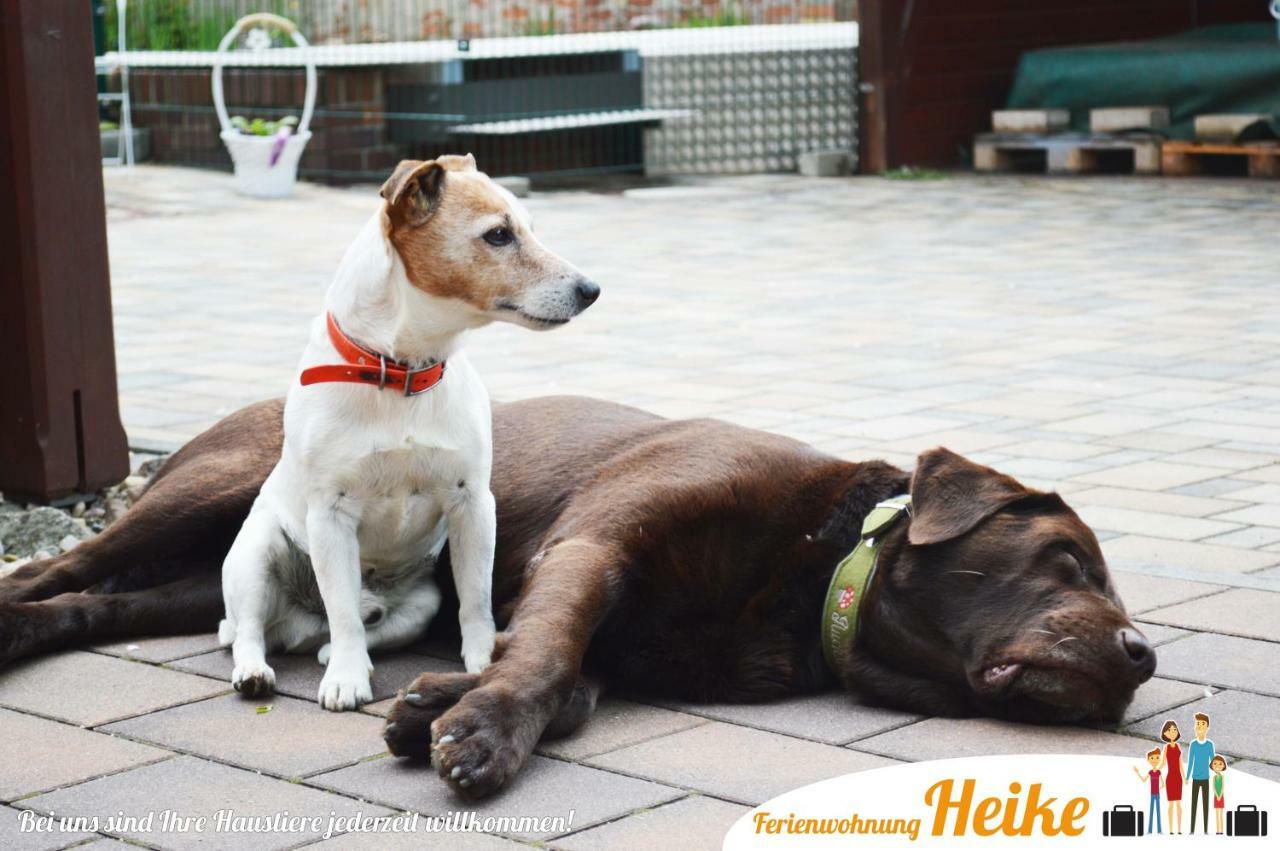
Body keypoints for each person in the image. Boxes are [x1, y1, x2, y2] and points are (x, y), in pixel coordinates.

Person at [1185, 712, 1216, 834]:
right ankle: (1192, 828)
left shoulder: (1209, 745)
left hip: (1206, 778)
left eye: (1202, 724)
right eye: (1198, 724)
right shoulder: (1193, 744)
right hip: (1195, 777)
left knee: (1205, 804)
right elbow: (1191, 761)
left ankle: (1205, 828)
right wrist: (1187, 776)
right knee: (1193, 804)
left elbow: (1213, 760)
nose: (1199, 727)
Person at [1157, 719, 1184, 834]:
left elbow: (1180, 763)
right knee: (1171, 803)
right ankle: (1171, 829)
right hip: (1170, 777)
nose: (1172, 732)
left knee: (1178, 803)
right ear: (1165, 734)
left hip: (1178, 777)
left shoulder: (1177, 747)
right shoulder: (1167, 748)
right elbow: (1163, 763)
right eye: (1170, 730)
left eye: (1174, 730)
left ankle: (1178, 829)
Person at [1133, 747, 1165, 834]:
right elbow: (1144, 780)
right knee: (1151, 812)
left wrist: (1159, 789)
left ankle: (1159, 830)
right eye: (1152, 758)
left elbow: (1163, 784)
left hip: (1157, 795)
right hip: (1152, 794)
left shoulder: (1158, 772)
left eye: (1157, 758)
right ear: (1148, 760)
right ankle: (1150, 830)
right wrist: (1137, 773)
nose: (1154, 760)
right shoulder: (1150, 772)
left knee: (1158, 812)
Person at [1211, 755, 1228, 835]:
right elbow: (1213, 787)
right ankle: (1218, 830)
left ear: (1224, 766)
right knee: (1217, 814)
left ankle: (1221, 830)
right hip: (1216, 796)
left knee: (1220, 814)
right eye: (1215, 764)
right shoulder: (1214, 777)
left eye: (1220, 764)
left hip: (1221, 796)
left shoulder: (1222, 777)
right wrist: (1216, 795)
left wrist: (1220, 795)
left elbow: (1222, 787)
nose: (1217, 766)